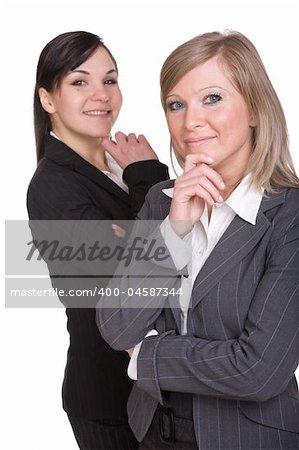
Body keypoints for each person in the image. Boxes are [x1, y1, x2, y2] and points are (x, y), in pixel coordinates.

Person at [97, 30, 299, 450]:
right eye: (176, 104)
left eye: (212, 98)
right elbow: (117, 327)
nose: (190, 121)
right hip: (151, 431)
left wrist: (147, 355)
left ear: (255, 109)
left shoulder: (290, 216)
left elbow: (259, 369)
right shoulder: (161, 200)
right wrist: (174, 230)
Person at [27, 31, 169, 450]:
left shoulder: (116, 163)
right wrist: (149, 179)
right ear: (48, 99)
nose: (101, 94)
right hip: (108, 397)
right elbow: (138, 275)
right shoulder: (52, 187)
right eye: (79, 81)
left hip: (159, 385)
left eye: (110, 80)